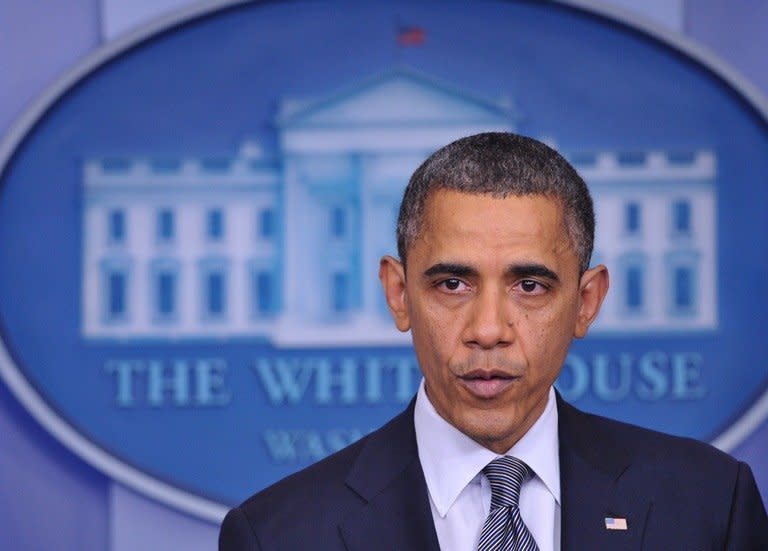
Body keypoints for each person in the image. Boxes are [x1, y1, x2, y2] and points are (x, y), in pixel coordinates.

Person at [219, 132, 768, 550]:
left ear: (586, 302)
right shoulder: (277, 536)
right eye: (452, 284)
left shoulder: (709, 506)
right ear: (399, 294)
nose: (487, 330)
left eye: (529, 286)